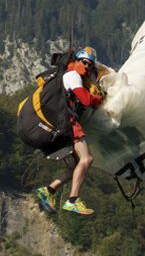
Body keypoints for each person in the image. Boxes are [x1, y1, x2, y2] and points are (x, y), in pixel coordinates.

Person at [35, 45, 110, 217]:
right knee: (86, 159)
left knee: (78, 165)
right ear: (76, 61)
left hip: (63, 124)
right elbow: (84, 99)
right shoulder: (73, 76)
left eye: (90, 65)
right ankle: (73, 201)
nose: (87, 67)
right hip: (69, 123)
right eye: (84, 62)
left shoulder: (71, 76)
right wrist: (99, 99)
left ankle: (49, 190)